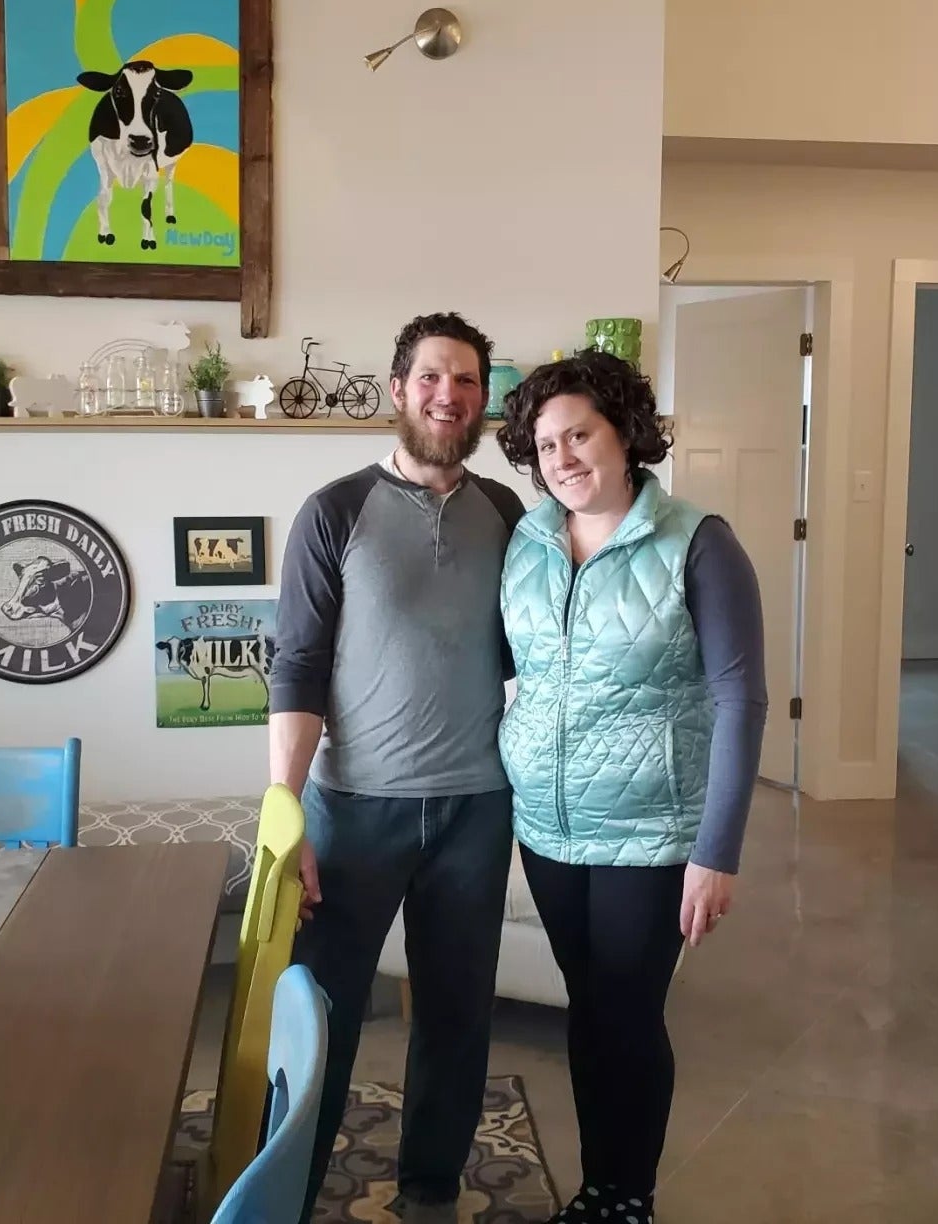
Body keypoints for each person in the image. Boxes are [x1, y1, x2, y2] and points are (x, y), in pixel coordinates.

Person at [495, 350, 768, 1224]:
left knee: (628, 1011)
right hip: (546, 826)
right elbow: (513, 665)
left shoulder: (698, 541)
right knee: (589, 1007)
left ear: (625, 434)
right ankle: (596, 1185)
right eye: (545, 444)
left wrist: (715, 851)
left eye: (580, 433)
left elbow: (741, 697)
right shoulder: (527, 543)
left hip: (652, 833)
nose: (564, 457)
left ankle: (626, 1194)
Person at [270, 311, 525, 1224]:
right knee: (323, 1017)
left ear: (483, 399)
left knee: (457, 1018)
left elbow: (532, 654)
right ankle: (288, 1188)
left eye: (465, 382)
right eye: (430, 378)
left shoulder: (507, 513)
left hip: (476, 810)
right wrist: (286, 809)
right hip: (355, 810)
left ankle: (429, 1193)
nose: (448, 396)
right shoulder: (334, 511)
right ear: (397, 390)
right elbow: (295, 667)